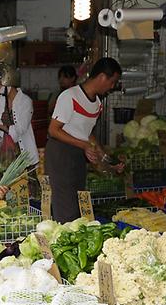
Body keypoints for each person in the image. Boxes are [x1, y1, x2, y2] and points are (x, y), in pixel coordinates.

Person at [45, 57, 122, 223]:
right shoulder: (69, 96)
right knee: (66, 205)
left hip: (78, 156)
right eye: (112, 81)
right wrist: (84, 145)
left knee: (77, 201)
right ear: (102, 77)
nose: (112, 86)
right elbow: (53, 130)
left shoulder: (97, 104)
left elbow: (86, 133)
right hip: (60, 154)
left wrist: (106, 158)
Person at [0, 64, 39, 166]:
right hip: (6, 154)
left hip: (25, 156)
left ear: (10, 82)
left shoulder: (25, 102)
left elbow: (19, 130)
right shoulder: (0, 101)